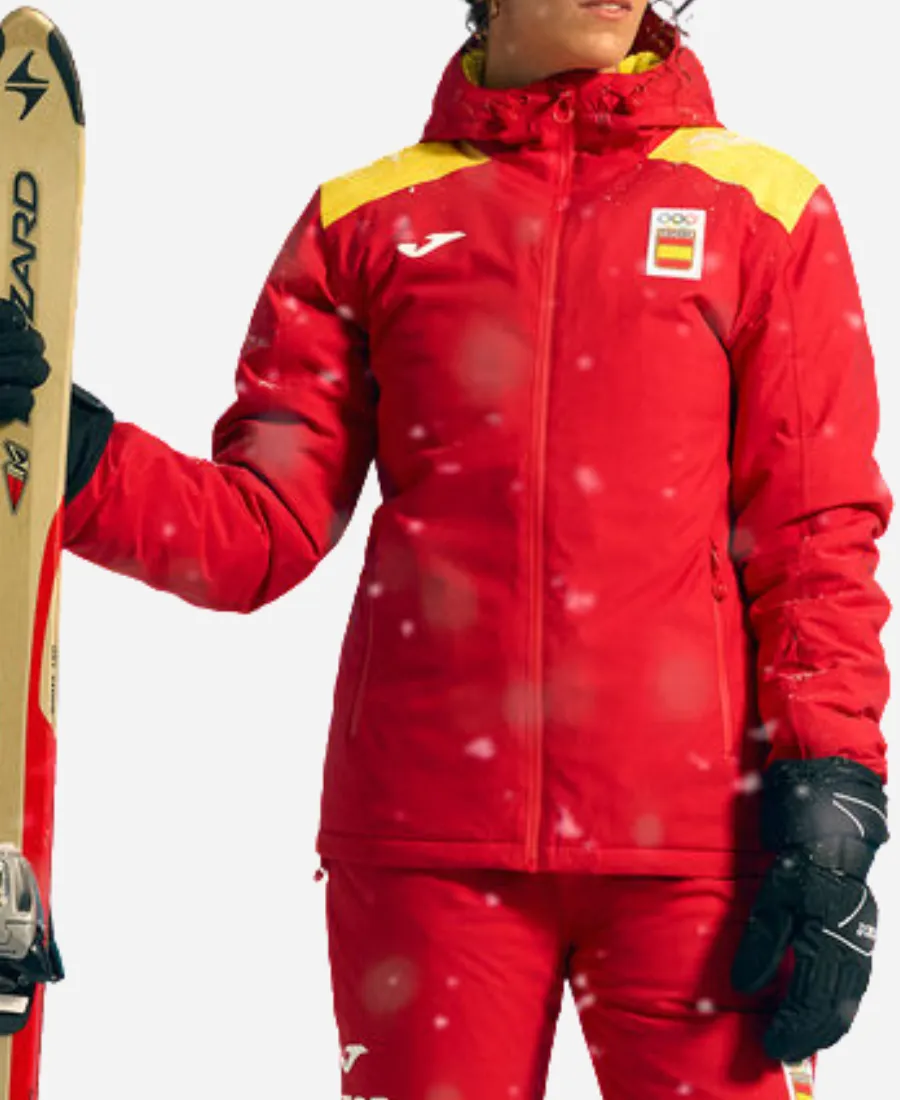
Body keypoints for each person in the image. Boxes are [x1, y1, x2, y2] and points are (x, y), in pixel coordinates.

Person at [0, 1, 891, 1096]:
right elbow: (256, 531)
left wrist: (835, 792)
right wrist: (74, 452)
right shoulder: (366, 221)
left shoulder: (763, 209)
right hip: (426, 847)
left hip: (699, 852)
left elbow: (815, 533)